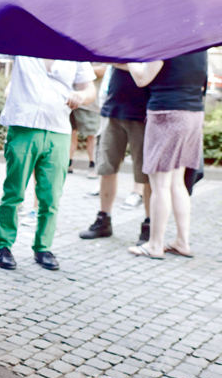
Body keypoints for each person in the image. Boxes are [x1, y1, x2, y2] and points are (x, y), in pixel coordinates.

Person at [0, 55, 96, 271]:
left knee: (51, 196)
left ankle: (43, 247)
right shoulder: (24, 41)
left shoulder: (73, 48)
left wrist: (81, 95)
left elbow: (90, 90)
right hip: (23, 126)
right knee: (14, 192)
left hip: (58, 130)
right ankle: (3, 245)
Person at [124, 50, 208, 259]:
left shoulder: (166, 40)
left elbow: (143, 78)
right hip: (193, 112)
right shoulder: (199, 41)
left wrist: (130, 58)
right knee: (177, 183)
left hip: (166, 113)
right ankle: (182, 241)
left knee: (160, 185)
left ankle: (154, 245)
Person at [78, 66, 151, 244]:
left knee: (147, 174)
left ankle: (149, 227)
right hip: (113, 108)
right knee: (106, 168)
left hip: (142, 112)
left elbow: (146, 68)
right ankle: (104, 220)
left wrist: (123, 61)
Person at [68, 63, 105, 177]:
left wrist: (82, 69)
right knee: (71, 132)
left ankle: (93, 165)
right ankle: (68, 163)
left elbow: (103, 70)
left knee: (92, 135)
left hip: (91, 104)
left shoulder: (100, 52)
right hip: (71, 100)